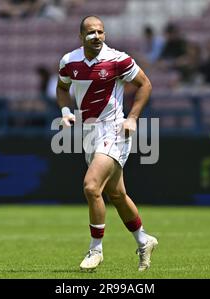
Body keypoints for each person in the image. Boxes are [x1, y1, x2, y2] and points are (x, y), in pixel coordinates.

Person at [56, 16, 157, 271]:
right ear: (81, 36)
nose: (97, 36)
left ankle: (95, 250)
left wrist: (132, 118)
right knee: (117, 194)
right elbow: (61, 87)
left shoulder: (118, 59)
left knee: (91, 187)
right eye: (91, 32)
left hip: (114, 130)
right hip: (89, 133)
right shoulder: (70, 61)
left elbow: (145, 84)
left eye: (101, 31)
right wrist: (66, 111)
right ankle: (144, 240)